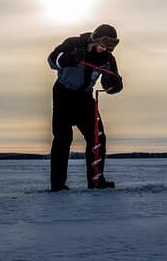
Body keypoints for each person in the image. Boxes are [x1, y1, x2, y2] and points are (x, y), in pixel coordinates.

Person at [47, 23, 124, 191]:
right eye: (103, 45)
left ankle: (96, 181)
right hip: (63, 94)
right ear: (94, 38)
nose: (105, 49)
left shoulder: (108, 59)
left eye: (110, 47)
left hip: (85, 98)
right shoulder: (74, 43)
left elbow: (111, 84)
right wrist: (70, 58)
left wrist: (114, 84)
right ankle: (58, 185)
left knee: (97, 138)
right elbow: (52, 60)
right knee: (63, 138)